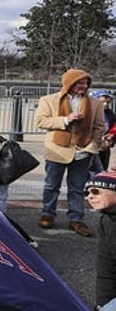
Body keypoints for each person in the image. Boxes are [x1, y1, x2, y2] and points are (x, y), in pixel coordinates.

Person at [34, 68, 104, 237]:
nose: (84, 86)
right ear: (70, 83)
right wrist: (66, 120)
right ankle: (47, 214)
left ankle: (76, 219)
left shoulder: (95, 103)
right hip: (57, 151)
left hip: (83, 151)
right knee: (51, 186)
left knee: (77, 188)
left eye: (86, 83)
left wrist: (92, 146)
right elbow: (40, 121)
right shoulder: (48, 100)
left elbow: (99, 127)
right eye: (80, 82)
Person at [85, 172, 116, 310]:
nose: (90, 196)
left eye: (96, 191)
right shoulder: (106, 220)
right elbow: (106, 265)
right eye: (87, 192)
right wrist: (102, 304)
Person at [93, 90, 116, 172]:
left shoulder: (109, 114)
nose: (105, 104)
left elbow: (113, 127)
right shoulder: (90, 113)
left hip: (105, 147)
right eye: (102, 102)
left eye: (107, 102)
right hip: (92, 147)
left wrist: (111, 137)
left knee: (103, 169)